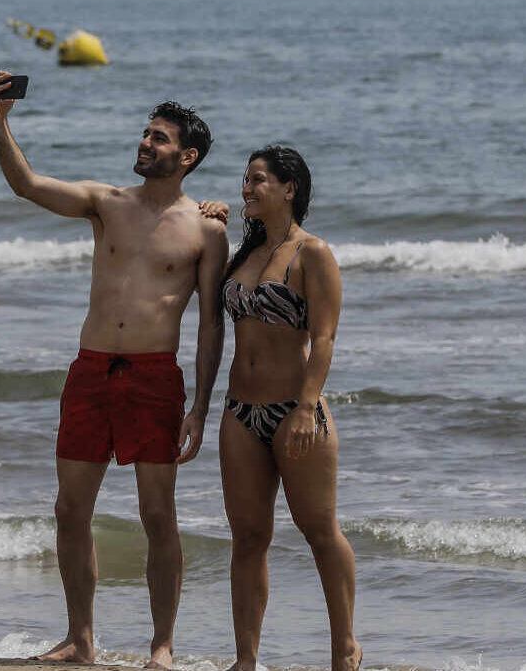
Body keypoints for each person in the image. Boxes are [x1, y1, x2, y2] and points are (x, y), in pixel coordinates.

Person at [0, 71, 229, 668]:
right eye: (145, 134)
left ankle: (163, 644)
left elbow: (210, 324)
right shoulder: (105, 202)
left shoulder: (208, 229)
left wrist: (200, 405)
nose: (146, 143)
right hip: (91, 370)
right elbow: (27, 184)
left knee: (156, 514)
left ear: (187, 155)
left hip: (154, 378)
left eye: (160, 138)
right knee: (70, 508)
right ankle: (80, 638)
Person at [219, 146, 359, 671]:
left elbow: (324, 340)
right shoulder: (243, 253)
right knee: (249, 537)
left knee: (320, 530)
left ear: (289, 188)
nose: (247, 188)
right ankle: (246, 659)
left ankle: (345, 647)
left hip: (296, 412)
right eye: (246, 180)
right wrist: (210, 213)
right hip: (239, 412)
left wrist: (305, 408)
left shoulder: (312, 253)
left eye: (258, 180)